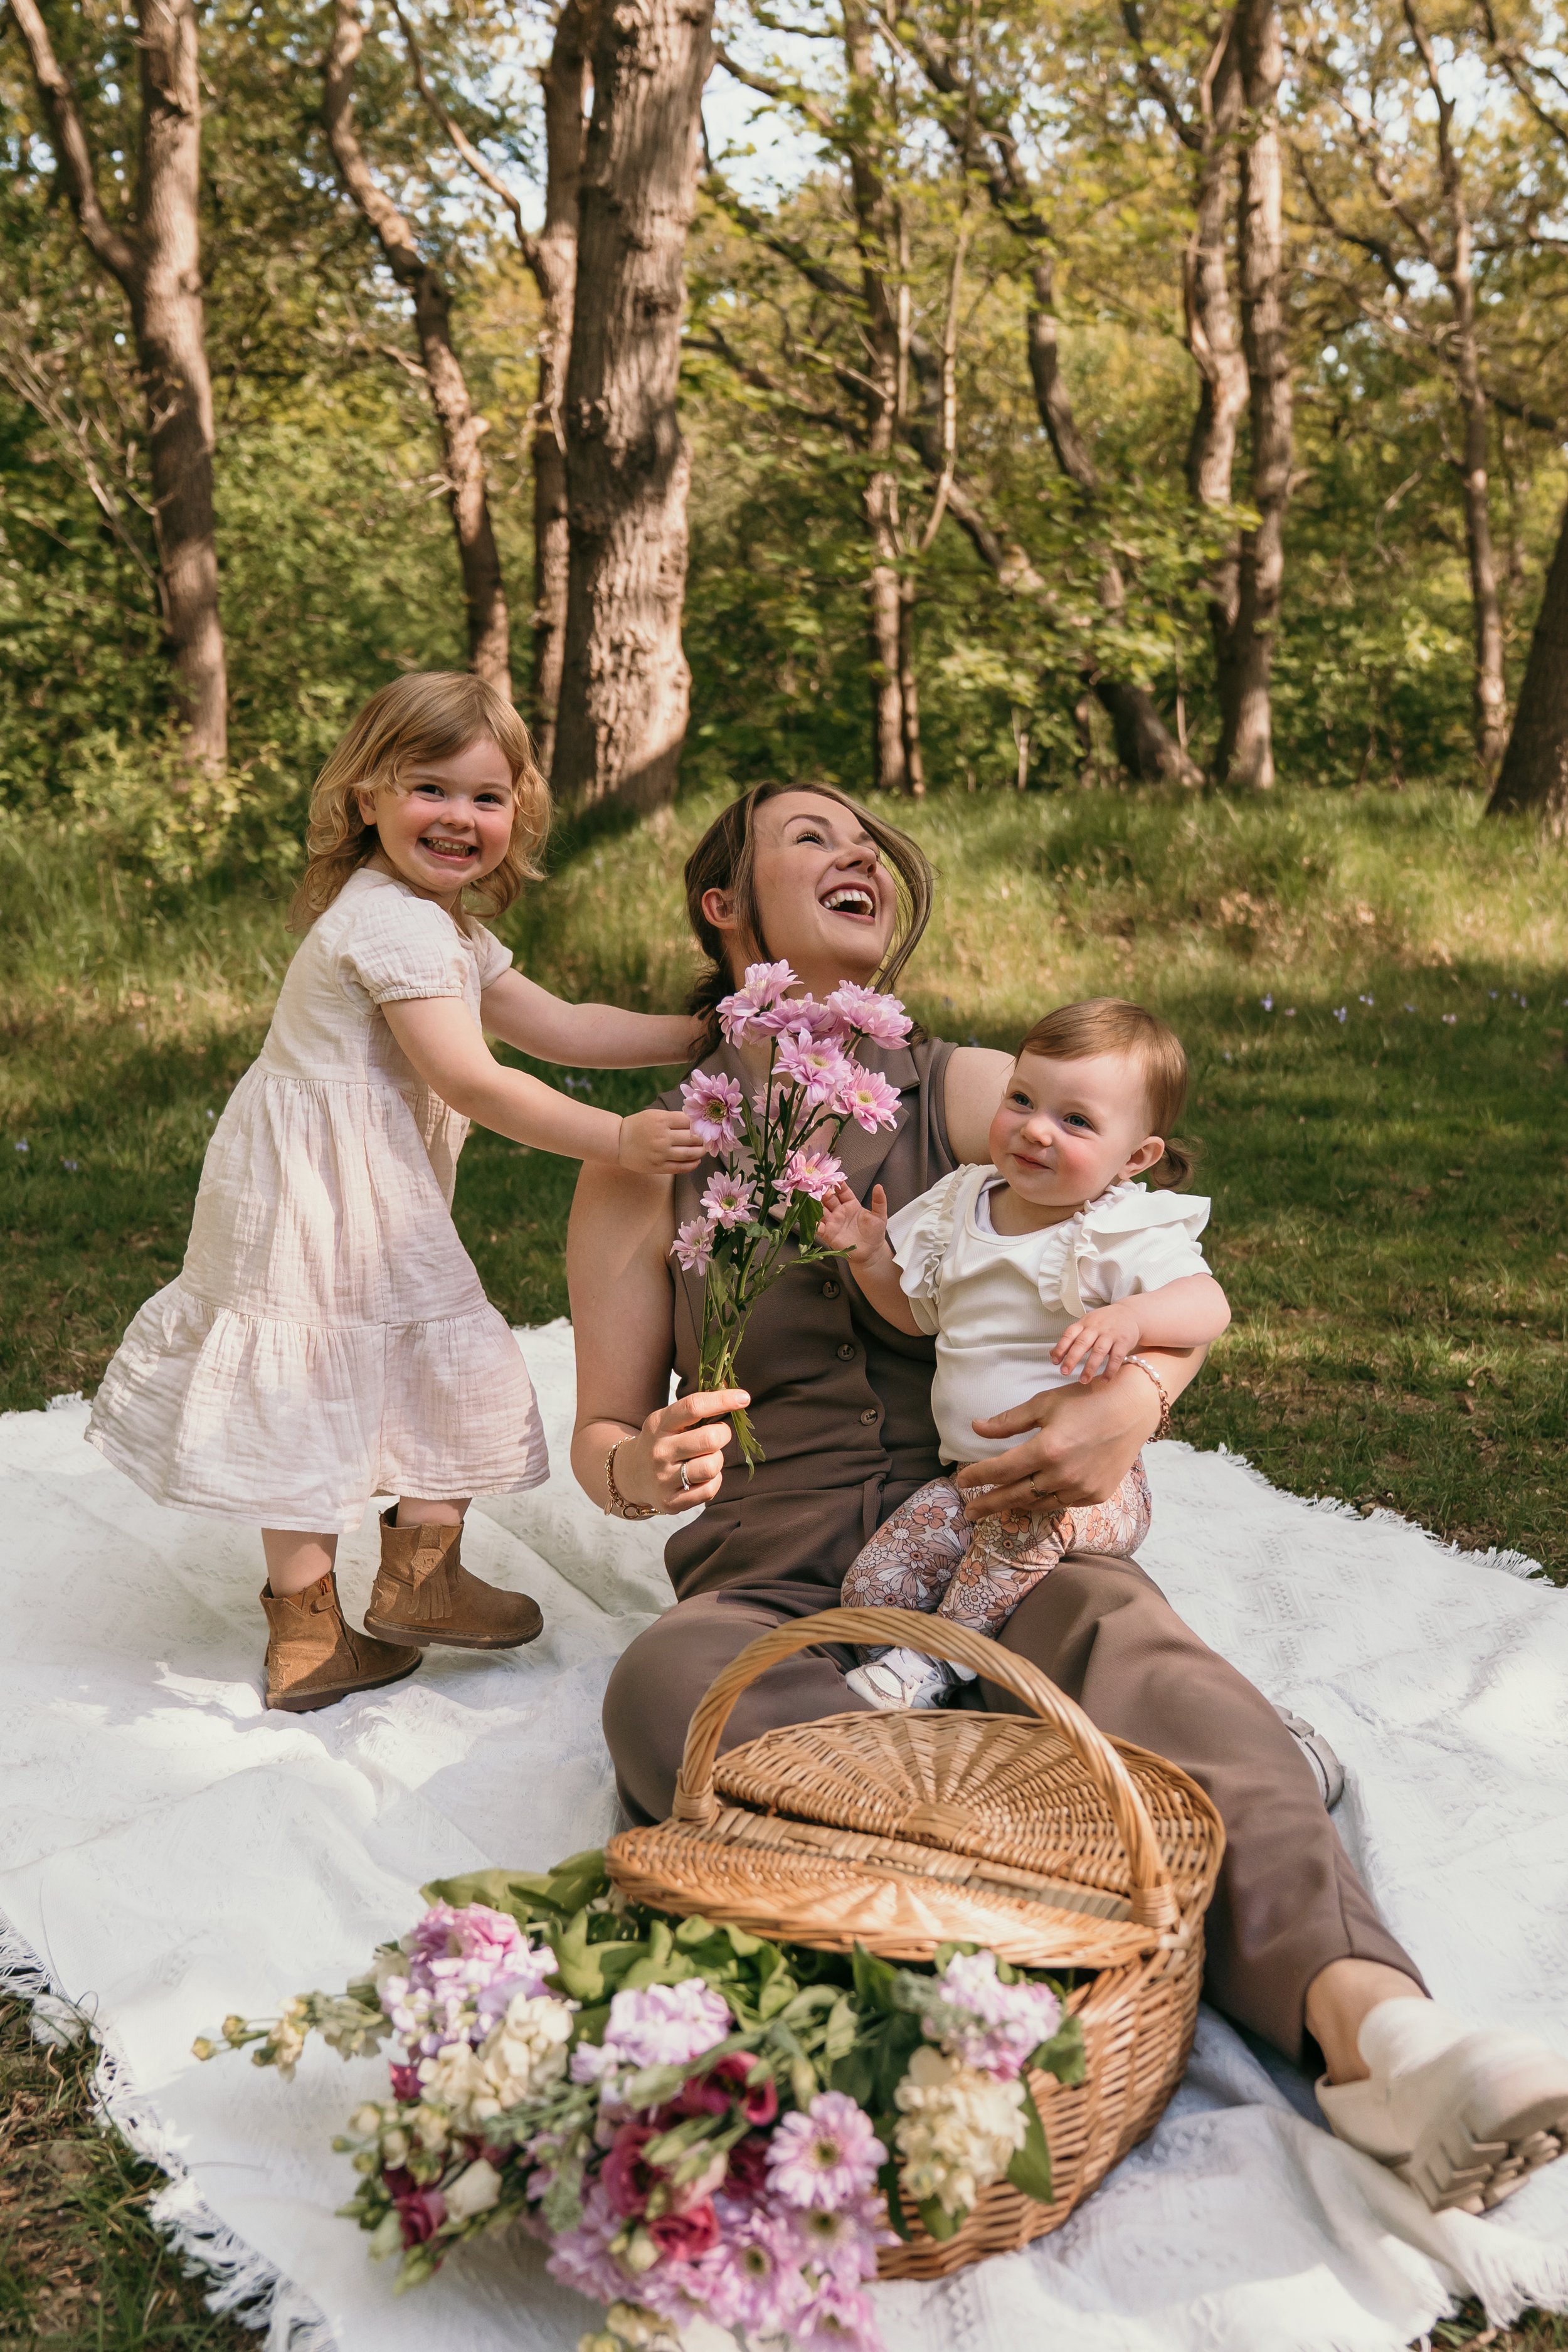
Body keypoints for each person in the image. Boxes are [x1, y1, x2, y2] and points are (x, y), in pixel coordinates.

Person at [568, 777, 1568, 2219]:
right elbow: (603, 1431)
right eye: (809, 837)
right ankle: (999, 1966)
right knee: (668, 1687)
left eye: (868, 837)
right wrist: (636, 1459)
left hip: (995, 1521)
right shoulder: (646, 1160)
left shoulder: (978, 1093)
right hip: (773, 1569)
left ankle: (1380, 2039)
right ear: (724, 909)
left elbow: (1157, 1270)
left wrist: (1131, 1402)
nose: (857, 849)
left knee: (1145, 1655)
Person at [88, 672, 701, 1714]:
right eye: (430, 788)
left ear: (519, 813)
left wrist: (707, 1032)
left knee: (374, 1363)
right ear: (365, 794)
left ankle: (380, 1604)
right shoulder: (399, 927)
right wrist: (618, 1138)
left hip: (334, 1176)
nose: (460, 818)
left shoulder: (436, 924)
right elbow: (472, 1077)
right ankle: (348, 1616)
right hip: (323, 1187)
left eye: (488, 798)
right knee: (326, 1375)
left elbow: (558, 1024)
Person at [818, 997, 1231, 1711]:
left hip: (1088, 1487)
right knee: (874, 1586)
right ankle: (930, 1674)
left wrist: (1132, 1317)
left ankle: (940, 1662)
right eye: (1021, 1099)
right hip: (973, 1481)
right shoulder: (962, 1203)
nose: (1036, 1129)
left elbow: (1209, 1307)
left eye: (1075, 1121)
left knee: (1016, 1530)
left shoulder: (1115, 1226)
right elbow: (917, 1317)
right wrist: (868, 1259)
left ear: (1134, 1158)